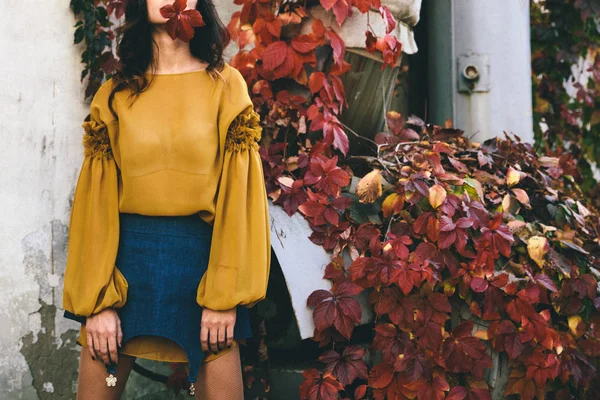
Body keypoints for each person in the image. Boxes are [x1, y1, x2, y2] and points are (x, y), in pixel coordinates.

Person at [61, 1, 271, 398]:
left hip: (204, 270)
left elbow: (241, 200)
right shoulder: (115, 94)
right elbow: (94, 205)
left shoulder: (226, 87)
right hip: (123, 272)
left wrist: (224, 297)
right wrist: (99, 302)